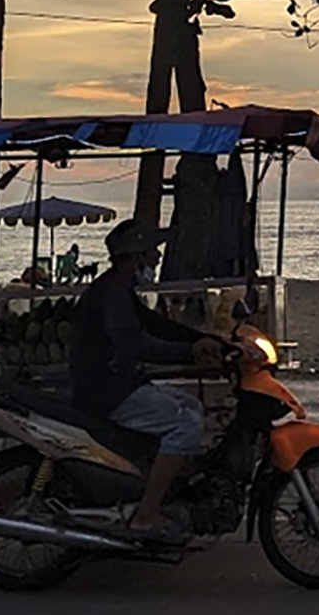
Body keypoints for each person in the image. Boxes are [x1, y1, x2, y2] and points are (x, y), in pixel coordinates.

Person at [69, 219, 228, 541]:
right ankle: (146, 515)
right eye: (152, 252)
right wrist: (189, 352)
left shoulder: (119, 289)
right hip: (109, 392)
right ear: (136, 257)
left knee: (191, 405)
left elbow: (155, 325)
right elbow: (138, 343)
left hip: (121, 384)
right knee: (185, 424)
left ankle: (167, 488)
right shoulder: (112, 294)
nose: (157, 258)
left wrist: (208, 340)